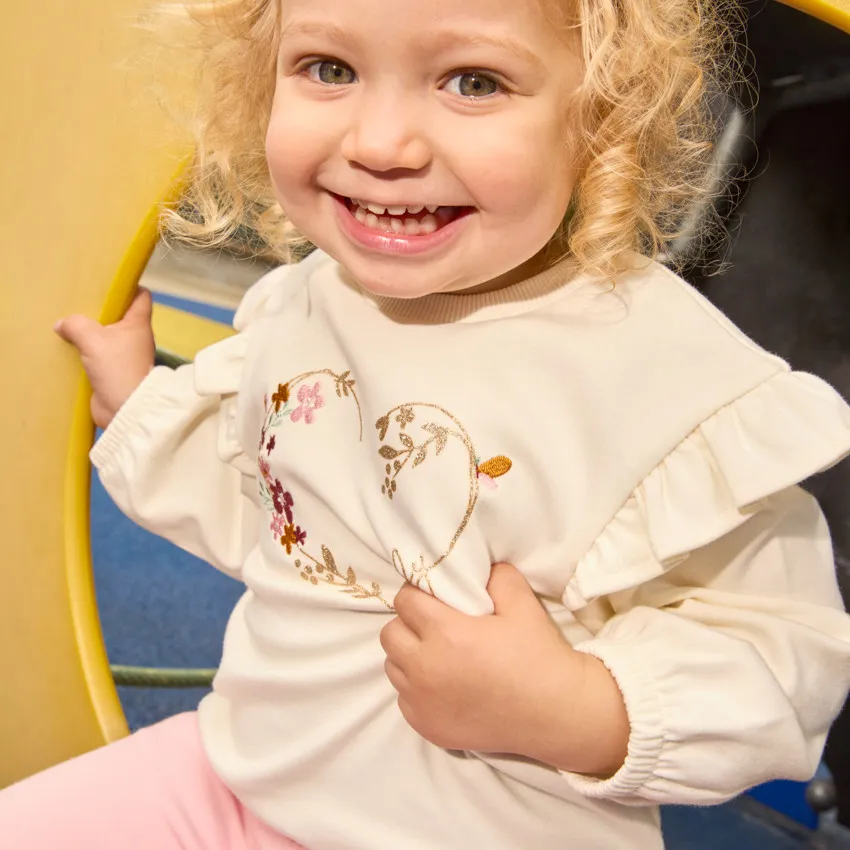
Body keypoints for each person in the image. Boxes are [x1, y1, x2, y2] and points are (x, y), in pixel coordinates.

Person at [4, 0, 850, 847]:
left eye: (473, 82)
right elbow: (287, 524)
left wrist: (577, 710)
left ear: (603, 116)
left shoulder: (658, 377)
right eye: (330, 69)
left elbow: (787, 658)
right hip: (241, 780)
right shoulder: (309, 300)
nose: (381, 144)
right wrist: (144, 407)